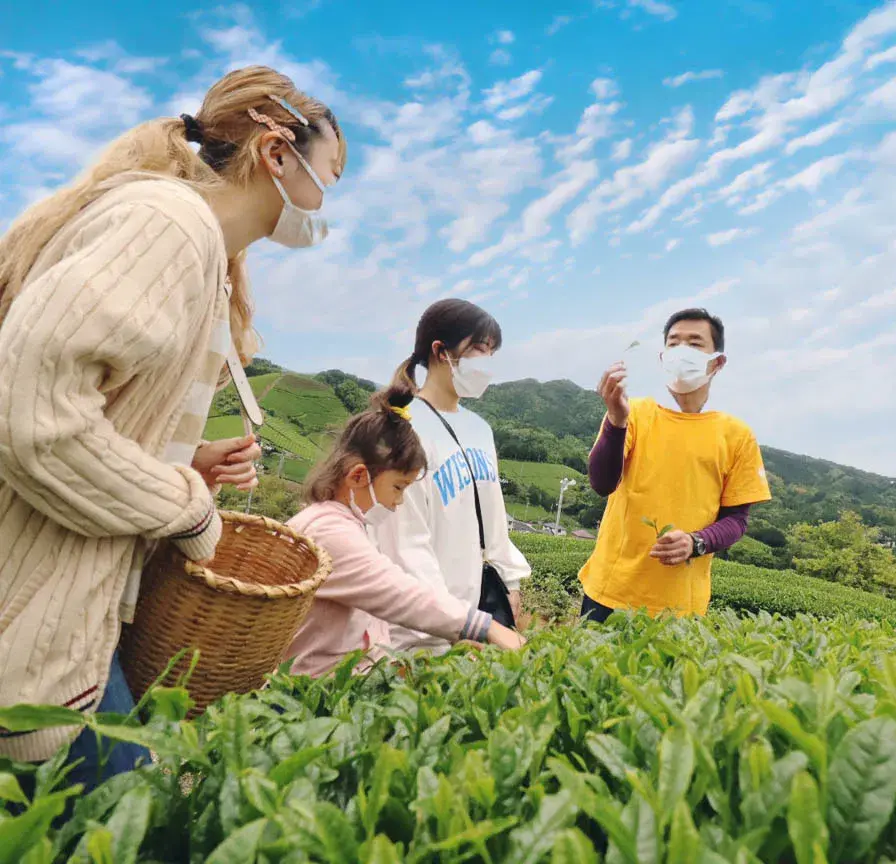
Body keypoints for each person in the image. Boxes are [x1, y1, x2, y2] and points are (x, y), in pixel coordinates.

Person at [0, 66, 346, 788]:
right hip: (34, 621)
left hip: (72, 619)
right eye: (330, 175)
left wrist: (184, 460)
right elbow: (33, 417)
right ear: (277, 151)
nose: (327, 203)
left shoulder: (199, 249)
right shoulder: (166, 226)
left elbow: (91, 409)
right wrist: (185, 505)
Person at [285, 386, 525, 677]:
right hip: (315, 693)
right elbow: (399, 594)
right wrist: (485, 627)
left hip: (347, 680)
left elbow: (370, 628)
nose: (398, 502)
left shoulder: (348, 524)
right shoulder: (327, 532)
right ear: (358, 476)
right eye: (398, 487)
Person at [578, 308, 771, 622]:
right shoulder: (634, 413)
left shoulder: (736, 435)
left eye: (695, 345)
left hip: (680, 607)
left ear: (717, 362)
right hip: (610, 592)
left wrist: (696, 542)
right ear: (662, 357)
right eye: (674, 343)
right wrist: (616, 421)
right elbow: (602, 483)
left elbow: (736, 520)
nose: (682, 352)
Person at [375, 299, 531, 654]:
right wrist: (454, 620)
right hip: (423, 628)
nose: (486, 361)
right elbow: (405, 541)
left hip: (482, 613)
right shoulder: (402, 427)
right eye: (478, 348)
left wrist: (510, 581)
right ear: (440, 351)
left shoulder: (480, 429)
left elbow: (493, 518)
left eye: (492, 352)